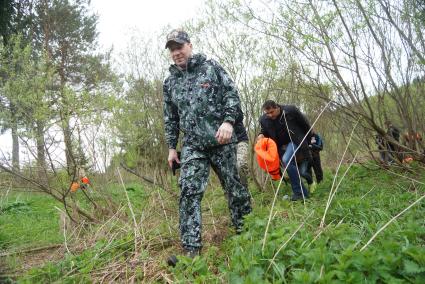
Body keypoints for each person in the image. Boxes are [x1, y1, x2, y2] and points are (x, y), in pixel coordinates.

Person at [162, 29, 252, 259]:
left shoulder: (211, 68)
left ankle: (247, 233)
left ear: (189, 46)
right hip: (193, 146)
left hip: (221, 141)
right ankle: (191, 249)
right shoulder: (170, 83)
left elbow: (232, 95)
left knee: (235, 189)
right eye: (172, 49)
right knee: (188, 191)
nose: (176, 53)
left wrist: (229, 122)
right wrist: (172, 147)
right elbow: (170, 117)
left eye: (179, 47)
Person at [257, 100, 313, 201]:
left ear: (277, 107)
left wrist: (309, 139)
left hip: (294, 141)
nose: (270, 115)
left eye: (272, 112)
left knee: (287, 160)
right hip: (279, 147)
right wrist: (261, 135)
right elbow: (264, 131)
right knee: (290, 166)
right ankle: (303, 192)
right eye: (267, 113)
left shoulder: (290, 111)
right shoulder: (264, 120)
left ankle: (299, 193)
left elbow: (304, 124)